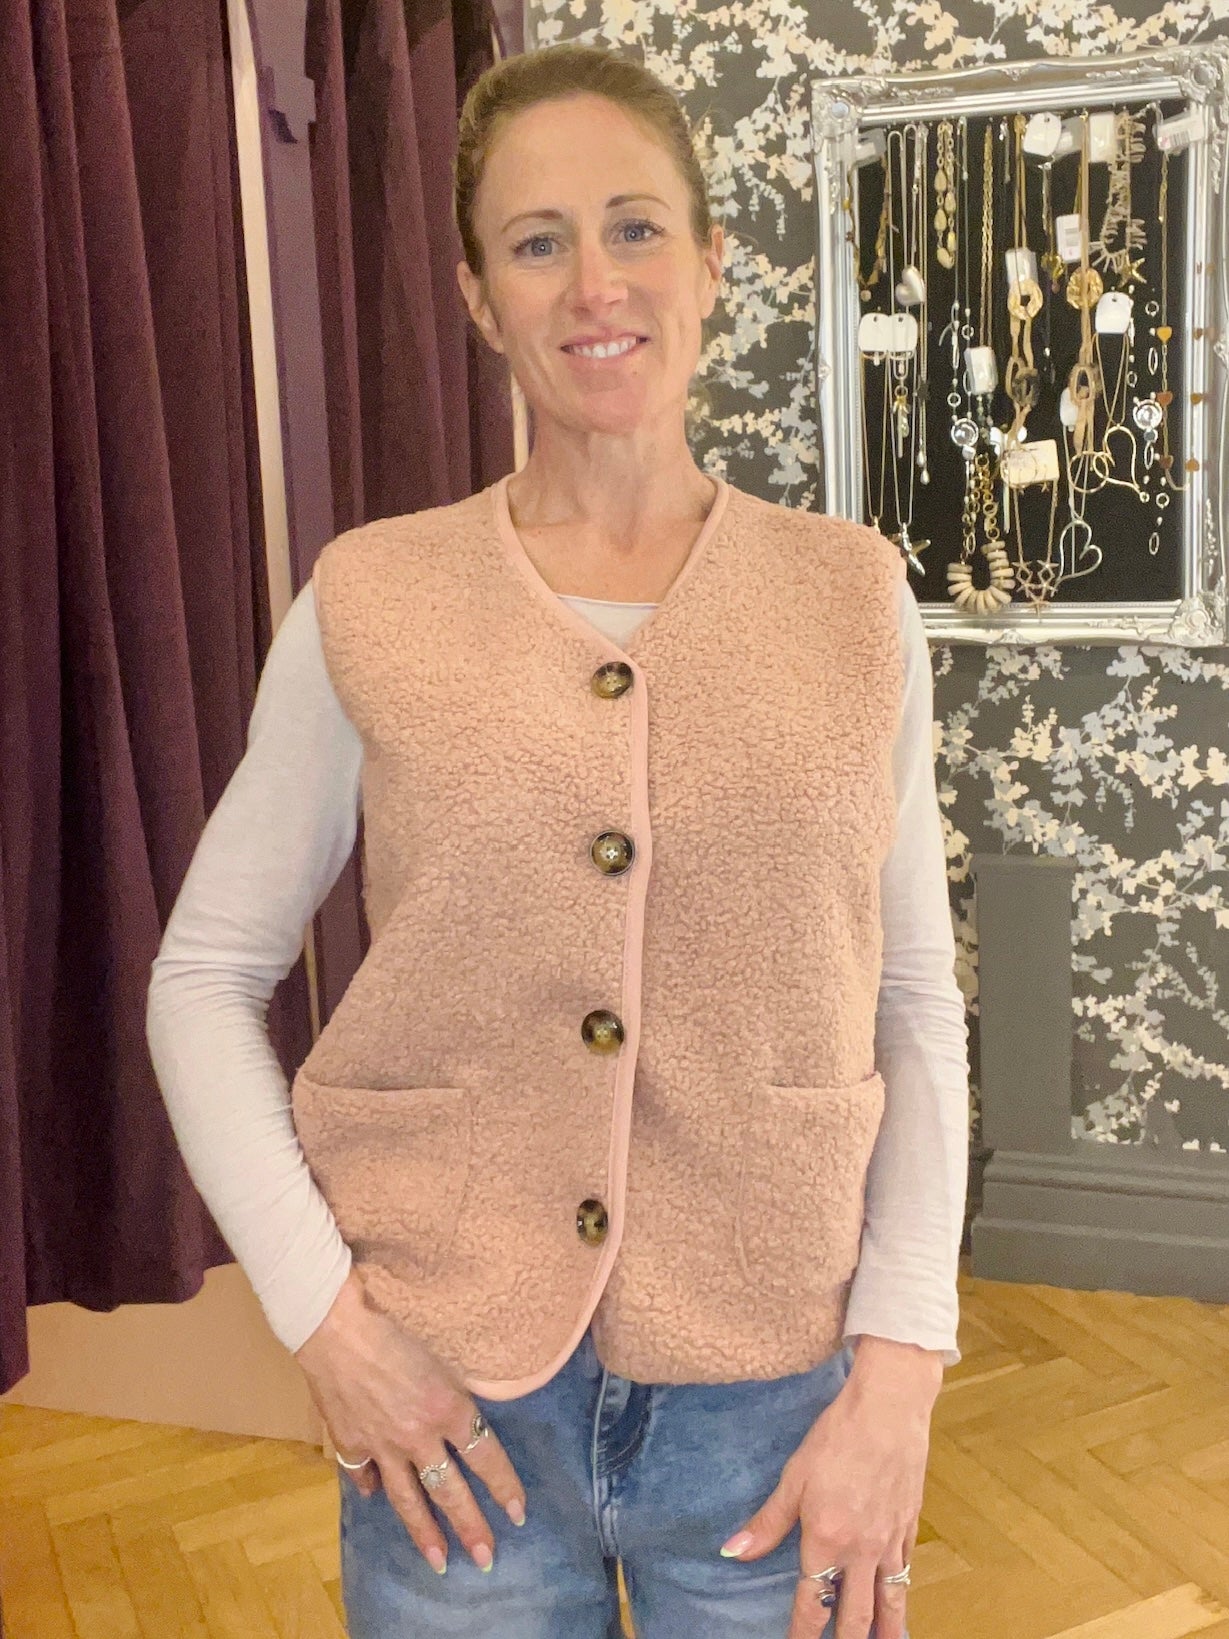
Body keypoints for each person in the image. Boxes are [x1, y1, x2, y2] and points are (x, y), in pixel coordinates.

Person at [146, 40, 970, 1639]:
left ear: (710, 262)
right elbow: (203, 977)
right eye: (536, 242)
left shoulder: (850, 598)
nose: (595, 282)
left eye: (634, 226)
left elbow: (914, 1001)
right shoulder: (369, 599)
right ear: (477, 297)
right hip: (453, 1410)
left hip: (774, 1400)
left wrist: (901, 1372)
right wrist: (326, 1326)